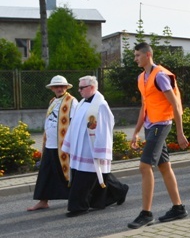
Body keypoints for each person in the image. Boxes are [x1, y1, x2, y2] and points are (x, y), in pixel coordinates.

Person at [128, 42, 189, 229]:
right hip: (150, 125)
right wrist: (136, 132)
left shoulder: (160, 76)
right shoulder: (141, 78)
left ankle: (146, 214)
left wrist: (180, 132)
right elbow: (144, 107)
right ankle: (178, 208)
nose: (135, 58)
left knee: (145, 166)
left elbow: (176, 105)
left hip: (161, 124)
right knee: (164, 167)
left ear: (148, 55)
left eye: (138, 55)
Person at [63, 76, 129, 217]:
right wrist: (69, 143)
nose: (79, 90)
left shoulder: (101, 105)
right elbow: (73, 124)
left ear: (92, 87)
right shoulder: (81, 103)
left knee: (85, 178)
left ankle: (79, 206)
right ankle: (120, 190)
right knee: (98, 175)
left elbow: (105, 129)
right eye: (79, 87)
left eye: (82, 88)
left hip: (90, 148)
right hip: (79, 147)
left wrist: (100, 151)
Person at [28, 75, 79, 211]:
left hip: (63, 145)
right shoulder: (53, 101)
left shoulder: (72, 102)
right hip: (50, 144)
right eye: (56, 86)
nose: (59, 88)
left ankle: (79, 197)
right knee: (46, 173)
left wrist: (71, 143)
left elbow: (76, 123)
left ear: (66, 87)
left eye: (62, 86)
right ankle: (43, 201)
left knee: (68, 173)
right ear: (52, 89)